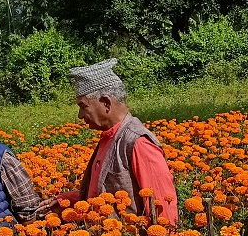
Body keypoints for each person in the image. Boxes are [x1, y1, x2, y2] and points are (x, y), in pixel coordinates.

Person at [38, 58, 178, 224]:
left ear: (106, 103)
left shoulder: (138, 142)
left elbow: (164, 210)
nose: (80, 115)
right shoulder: (109, 137)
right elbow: (102, 191)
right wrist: (67, 200)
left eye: (83, 106)